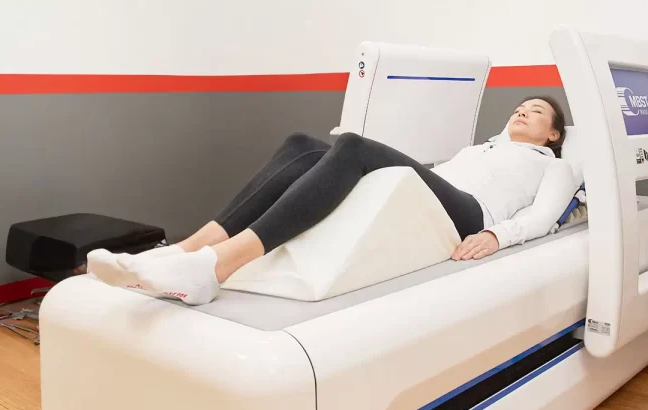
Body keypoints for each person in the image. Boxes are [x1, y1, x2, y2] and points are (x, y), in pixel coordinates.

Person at [88, 96, 578, 305]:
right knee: (304, 145)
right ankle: (185, 251)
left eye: (535, 111)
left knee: (354, 146)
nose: (522, 110)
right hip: (435, 191)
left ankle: (215, 268)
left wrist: (497, 234)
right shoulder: (481, 148)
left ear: (553, 133)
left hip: (471, 214)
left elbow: (544, 216)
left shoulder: (554, 166)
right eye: (518, 106)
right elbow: (434, 177)